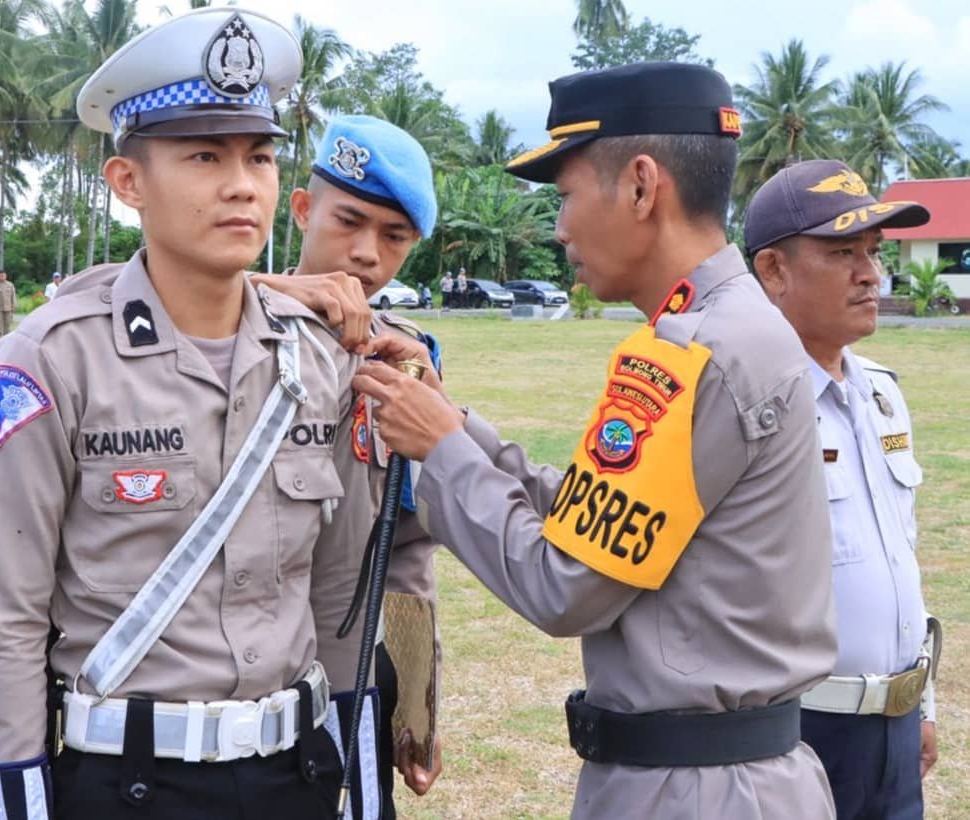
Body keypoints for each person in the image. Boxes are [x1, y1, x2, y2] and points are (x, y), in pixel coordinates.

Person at [352, 62, 838, 819]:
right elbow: (599, 515)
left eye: (569, 194)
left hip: (695, 789)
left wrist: (441, 451)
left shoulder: (690, 352)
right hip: (729, 777)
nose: (559, 226)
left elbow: (563, 582)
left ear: (642, 186)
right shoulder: (730, 325)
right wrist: (456, 422)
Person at [0, 10, 380, 819]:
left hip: (291, 775)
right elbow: (7, 617)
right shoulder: (54, 359)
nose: (242, 184)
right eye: (203, 155)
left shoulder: (318, 359)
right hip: (127, 785)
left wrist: (360, 785)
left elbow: (342, 598)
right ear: (128, 183)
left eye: (259, 155)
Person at [254, 114, 445, 812]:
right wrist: (263, 289)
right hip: (230, 680)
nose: (366, 253)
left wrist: (417, 710)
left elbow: (409, 549)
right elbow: (93, 299)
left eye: (393, 237)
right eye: (348, 221)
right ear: (303, 210)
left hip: (350, 676)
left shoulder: (404, 358)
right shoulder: (226, 323)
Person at [745, 159, 941, 820]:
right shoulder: (748, 404)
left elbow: (900, 556)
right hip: (794, 733)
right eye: (843, 253)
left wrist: (922, 704)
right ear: (773, 271)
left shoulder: (880, 395)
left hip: (895, 726)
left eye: (874, 252)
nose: (871, 273)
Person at [0, 269, 17, 339]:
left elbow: (13, 296)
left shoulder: (10, 285)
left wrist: (14, 305)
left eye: (4, 275)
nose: (2, 277)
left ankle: (7, 338)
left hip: (8, 308)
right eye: (1, 275)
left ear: (6, 276)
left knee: (8, 324)